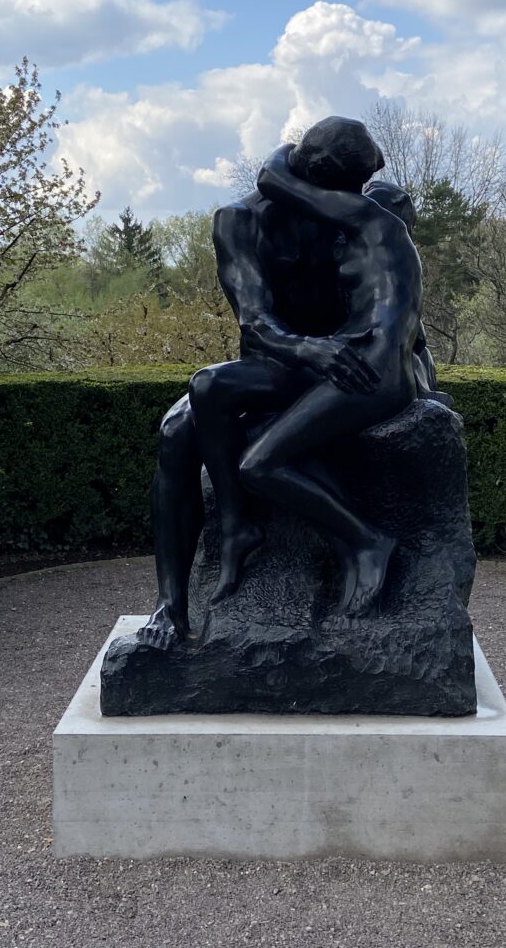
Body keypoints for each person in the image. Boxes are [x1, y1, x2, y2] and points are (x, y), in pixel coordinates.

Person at [140, 118, 387, 649]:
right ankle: (171, 603)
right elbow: (254, 320)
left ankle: (240, 526)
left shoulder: (356, 207)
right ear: (317, 178)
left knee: (209, 394)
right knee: (176, 433)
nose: (353, 200)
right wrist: (308, 348)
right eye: (345, 190)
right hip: (278, 362)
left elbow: (394, 293)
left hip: (347, 360)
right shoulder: (240, 221)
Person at [228, 147, 423, 617]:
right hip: (372, 365)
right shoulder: (371, 231)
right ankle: (352, 543)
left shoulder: (366, 216)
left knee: (257, 465)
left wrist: (291, 152)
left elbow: (272, 179)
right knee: (261, 441)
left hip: (371, 374)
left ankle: (366, 541)